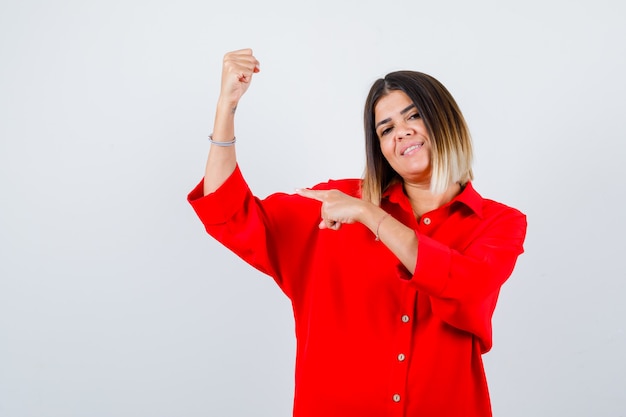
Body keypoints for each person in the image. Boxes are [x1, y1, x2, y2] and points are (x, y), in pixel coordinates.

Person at [187, 48, 527, 417]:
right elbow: (229, 213)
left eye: (414, 115)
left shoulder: (499, 223)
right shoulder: (335, 204)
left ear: (445, 120)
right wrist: (227, 106)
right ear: (380, 147)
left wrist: (370, 215)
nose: (403, 132)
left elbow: (465, 287)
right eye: (387, 129)